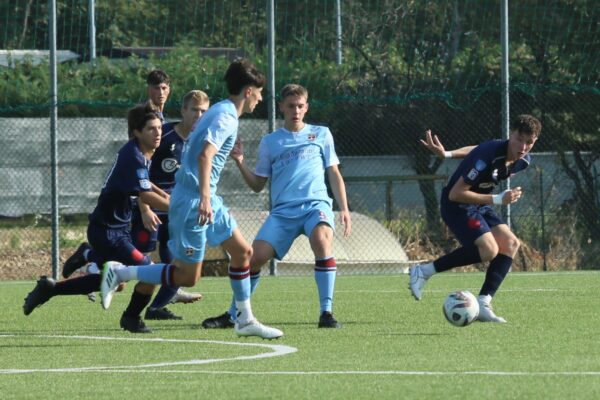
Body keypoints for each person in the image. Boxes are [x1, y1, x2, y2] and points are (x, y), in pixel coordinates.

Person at [100, 59, 283, 339]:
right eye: (259, 92)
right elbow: (204, 154)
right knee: (186, 276)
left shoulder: (222, 110)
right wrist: (205, 199)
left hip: (204, 196)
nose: (260, 98)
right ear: (248, 91)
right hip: (195, 201)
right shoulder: (225, 116)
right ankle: (122, 273)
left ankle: (245, 319)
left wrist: (209, 196)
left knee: (243, 253)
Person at [201, 83, 352, 330]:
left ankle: (326, 312)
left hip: (316, 206)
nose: (296, 110)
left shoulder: (321, 134)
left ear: (307, 107)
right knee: (252, 259)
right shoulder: (270, 142)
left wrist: (343, 208)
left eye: (300, 106)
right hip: (283, 213)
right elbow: (258, 185)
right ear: (281, 107)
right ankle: (234, 314)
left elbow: (333, 172)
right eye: (291, 106)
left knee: (322, 240)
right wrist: (239, 161)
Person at [23, 103, 169, 333]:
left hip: (114, 229)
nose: (158, 132)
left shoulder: (139, 152)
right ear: (137, 132)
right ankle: (130, 317)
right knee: (148, 270)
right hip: (108, 231)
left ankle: (70, 270)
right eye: (152, 128)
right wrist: (176, 207)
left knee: (115, 281)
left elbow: (145, 186)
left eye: (159, 128)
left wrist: (166, 196)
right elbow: (145, 194)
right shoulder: (134, 156)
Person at [409, 115, 542, 323]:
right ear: (511, 135)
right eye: (519, 138)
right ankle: (424, 271)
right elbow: (456, 193)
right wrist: (498, 199)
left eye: (529, 142)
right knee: (489, 249)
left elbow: (477, 147)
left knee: (510, 243)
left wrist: (448, 153)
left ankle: (483, 302)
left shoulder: (522, 161)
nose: (523, 146)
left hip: (479, 204)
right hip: (457, 206)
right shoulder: (490, 156)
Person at [132, 90, 210, 321]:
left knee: (180, 265)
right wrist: (144, 208)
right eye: (194, 110)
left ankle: (156, 308)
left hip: (182, 211)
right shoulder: (162, 136)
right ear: (183, 111)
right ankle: (94, 264)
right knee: (140, 257)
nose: (198, 115)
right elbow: (138, 173)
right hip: (155, 209)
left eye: (203, 111)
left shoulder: (204, 141)